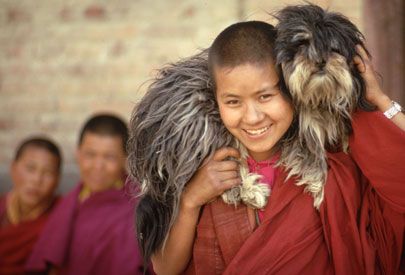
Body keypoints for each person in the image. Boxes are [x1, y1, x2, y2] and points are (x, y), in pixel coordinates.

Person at [147, 12, 405, 275]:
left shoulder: (331, 169)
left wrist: (379, 100)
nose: (253, 117)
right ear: (214, 100)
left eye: (266, 96)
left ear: (292, 86)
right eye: (233, 102)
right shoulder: (195, 165)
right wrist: (190, 201)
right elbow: (165, 268)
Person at [26, 114, 145, 275]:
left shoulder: (138, 206)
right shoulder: (73, 199)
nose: (98, 166)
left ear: (125, 158)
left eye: (109, 157)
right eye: (90, 154)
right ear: (78, 153)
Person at [0, 137, 61, 275]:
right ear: (13, 169)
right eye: (30, 168)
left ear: (57, 179)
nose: (36, 180)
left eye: (48, 172)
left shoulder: (63, 215)